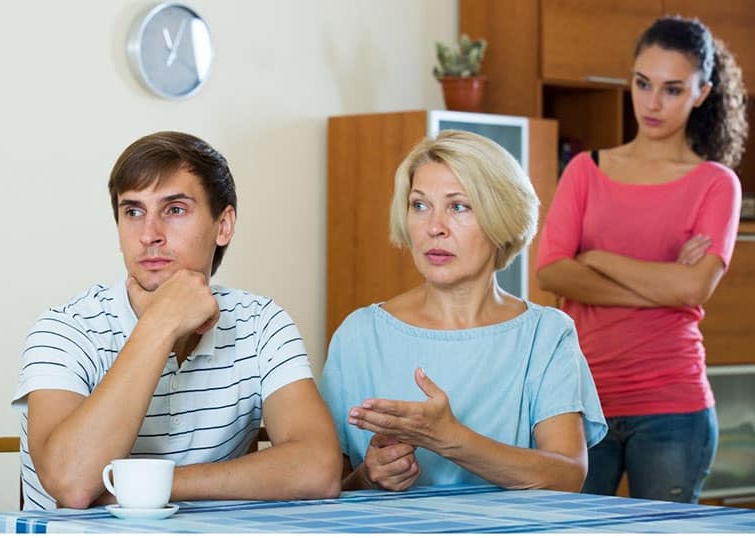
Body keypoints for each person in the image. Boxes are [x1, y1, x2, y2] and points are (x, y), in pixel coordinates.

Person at [13, 131, 342, 510]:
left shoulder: (262, 323)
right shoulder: (65, 329)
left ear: (224, 225)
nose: (149, 235)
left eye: (174, 210)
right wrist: (160, 324)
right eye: (133, 212)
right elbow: (72, 484)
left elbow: (319, 468)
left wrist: (151, 486)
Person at [319, 130, 607, 492]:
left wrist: (449, 439)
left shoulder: (546, 333)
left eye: (458, 206)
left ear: (502, 217)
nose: (434, 228)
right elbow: (326, 488)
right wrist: (370, 476)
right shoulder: (360, 334)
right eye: (419, 205)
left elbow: (566, 476)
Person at [535, 16, 748, 503]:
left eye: (673, 89)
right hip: (580, 403)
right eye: (642, 84)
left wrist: (598, 257)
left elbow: (693, 290)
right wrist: (665, 281)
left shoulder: (717, 184)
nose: (652, 103)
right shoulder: (585, 172)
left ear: (701, 92)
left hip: (674, 404)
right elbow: (551, 271)